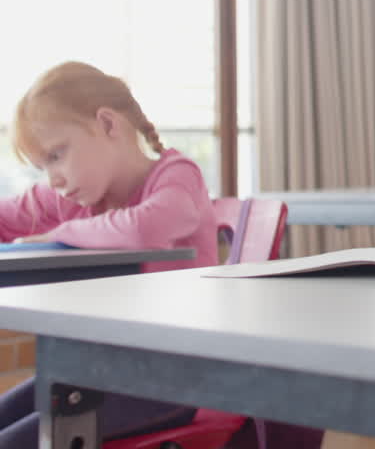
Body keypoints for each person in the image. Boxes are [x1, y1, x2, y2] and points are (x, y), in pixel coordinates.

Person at [0, 61, 219, 447]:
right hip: (93, 371)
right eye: (41, 167)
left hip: (173, 380)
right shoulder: (73, 195)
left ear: (107, 124)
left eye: (56, 155)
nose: (53, 179)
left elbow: (146, 228)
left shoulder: (177, 175)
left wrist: (59, 234)